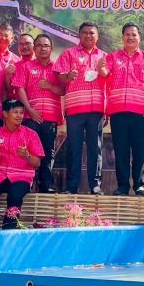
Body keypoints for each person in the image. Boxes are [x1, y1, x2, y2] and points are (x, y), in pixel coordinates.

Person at [100, 23, 144, 196]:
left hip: (141, 112)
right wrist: (100, 68)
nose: (130, 37)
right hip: (118, 111)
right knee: (121, 149)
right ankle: (123, 186)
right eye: (127, 34)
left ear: (139, 38)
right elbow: (104, 73)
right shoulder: (112, 57)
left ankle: (139, 185)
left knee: (140, 149)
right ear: (122, 37)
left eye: (134, 35)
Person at [0, 99, 44, 230]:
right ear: (5, 114)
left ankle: (8, 234)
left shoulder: (31, 134)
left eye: (21, 113)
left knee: (15, 196)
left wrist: (27, 155)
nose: (19, 116)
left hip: (21, 176)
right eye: (15, 112)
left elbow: (38, 163)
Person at [55, 22, 106, 195]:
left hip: (96, 109)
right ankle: (71, 186)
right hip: (75, 108)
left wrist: (107, 110)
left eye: (92, 33)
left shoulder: (104, 56)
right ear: (79, 35)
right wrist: (69, 76)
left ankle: (95, 185)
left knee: (95, 148)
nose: (88, 35)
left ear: (97, 36)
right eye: (84, 32)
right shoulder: (68, 53)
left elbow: (109, 81)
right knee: (74, 148)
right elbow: (60, 78)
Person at [13, 34, 65, 193]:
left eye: (46, 45)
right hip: (31, 117)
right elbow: (19, 88)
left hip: (50, 117)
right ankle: (25, 184)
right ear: (34, 49)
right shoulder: (26, 66)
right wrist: (29, 110)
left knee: (48, 152)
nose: (43, 48)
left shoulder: (57, 68)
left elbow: (63, 90)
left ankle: (46, 185)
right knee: (28, 151)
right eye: (39, 45)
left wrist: (50, 86)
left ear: (51, 48)